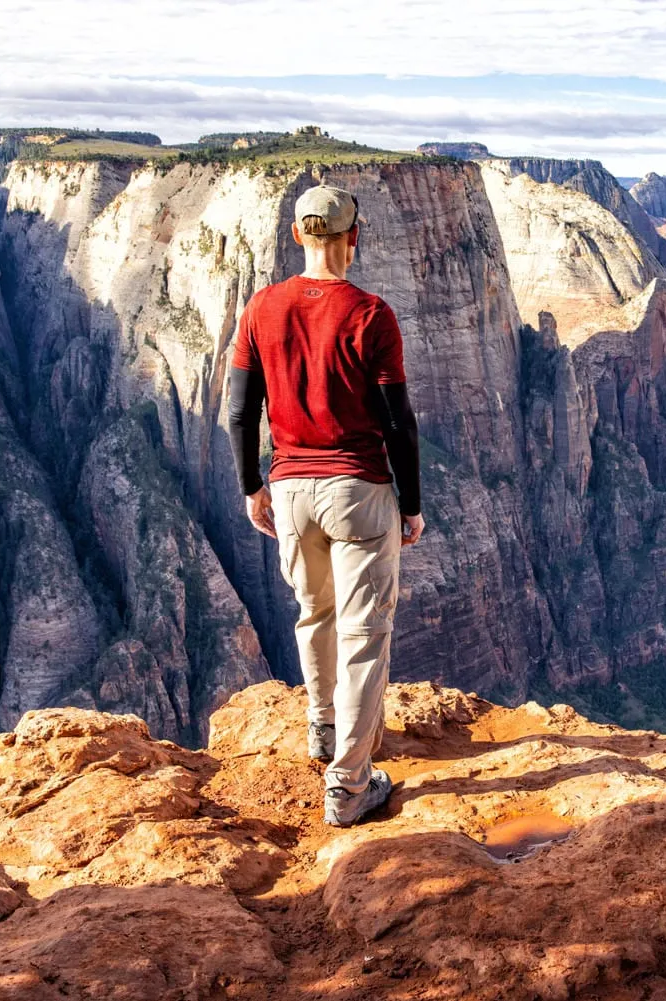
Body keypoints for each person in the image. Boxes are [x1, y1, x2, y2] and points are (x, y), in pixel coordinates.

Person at [226, 183, 423, 827]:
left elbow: (238, 412)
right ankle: (349, 784)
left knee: (314, 614)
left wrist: (252, 486)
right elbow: (399, 423)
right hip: (359, 491)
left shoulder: (262, 307)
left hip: (290, 490)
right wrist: (412, 504)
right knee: (365, 638)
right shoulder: (371, 314)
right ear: (353, 238)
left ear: (297, 236)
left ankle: (322, 726)